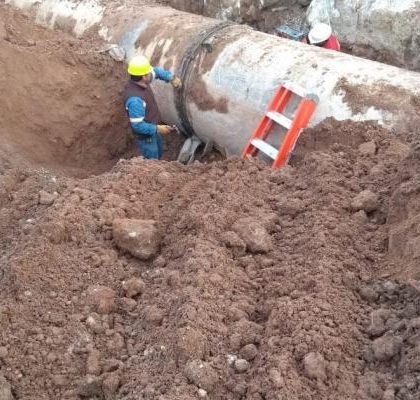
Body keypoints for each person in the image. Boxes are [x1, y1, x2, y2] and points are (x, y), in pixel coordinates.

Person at [123, 55, 182, 159]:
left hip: (153, 128)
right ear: (144, 76)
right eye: (149, 72)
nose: (152, 73)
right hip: (146, 138)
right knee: (152, 161)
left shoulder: (141, 80)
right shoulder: (135, 100)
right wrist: (157, 129)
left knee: (159, 152)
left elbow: (157, 72)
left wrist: (170, 78)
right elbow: (137, 125)